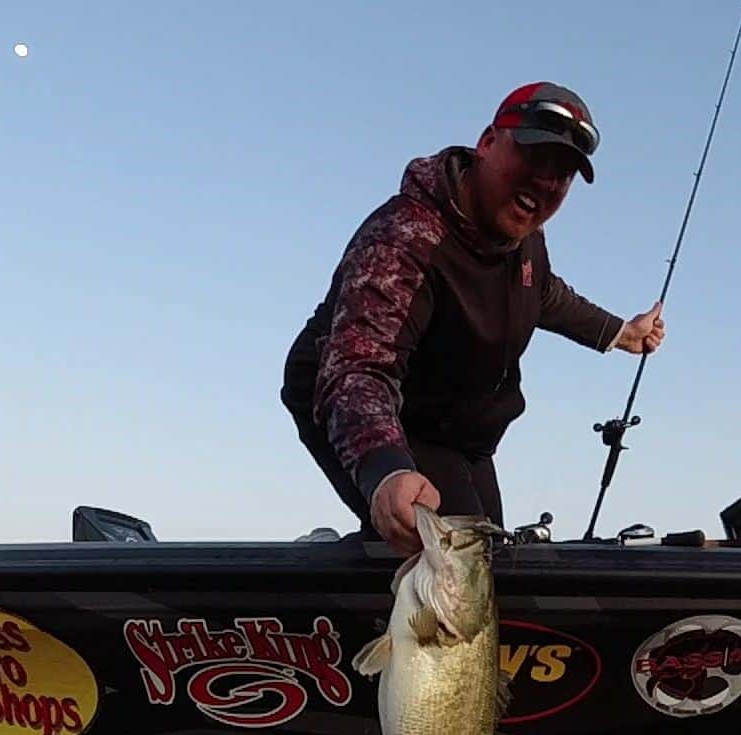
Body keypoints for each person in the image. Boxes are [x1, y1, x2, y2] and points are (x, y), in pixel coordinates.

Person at [282, 81, 667, 554]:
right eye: (535, 157)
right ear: (487, 142)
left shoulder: (524, 239)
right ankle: (332, 569)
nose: (546, 182)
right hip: (376, 412)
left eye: (563, 173)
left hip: (462, 432)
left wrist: (621, 334)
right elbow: (357, 370)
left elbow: (543, 292)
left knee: (492, 555)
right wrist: (384, 471)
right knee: (456, 555)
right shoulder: (407, 238)